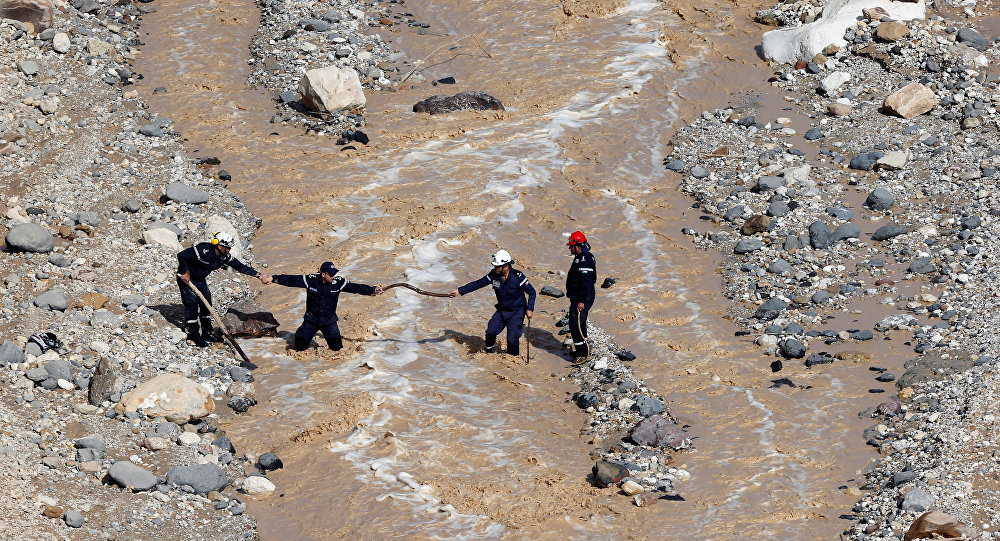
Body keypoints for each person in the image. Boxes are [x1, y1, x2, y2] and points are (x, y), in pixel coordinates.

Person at [177, 231, 271, 347]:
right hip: (187, 280)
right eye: (228, 248)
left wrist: (259, 276)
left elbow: (240, 267)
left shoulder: (224, 257)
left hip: (200, 280)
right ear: (220, 246)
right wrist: (186, 272)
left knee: (206, 305)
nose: (229, 250)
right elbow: (182, 256)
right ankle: (194, 335)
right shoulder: (203, 250)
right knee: (192, 304)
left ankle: (207, 332)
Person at [270, 262, 383, 351]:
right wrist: (273, 278)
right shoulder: (311, 280)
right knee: (299, 348)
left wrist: (373, 290)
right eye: (331, 274)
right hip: (311, 321)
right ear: (323, 274)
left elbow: (356, 287)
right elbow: (291, 280)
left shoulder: (338, 283)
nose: (334, 276)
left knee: (337, 349)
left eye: (334, 273)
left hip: (329, 322)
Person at [449, 249, 536, 356]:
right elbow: (478, 283)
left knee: (512, 338)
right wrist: (459, 291)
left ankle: (513, 357)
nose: (495, 268)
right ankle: (489, 351)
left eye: (497, 266)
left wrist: (530, 308)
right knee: (490, 332)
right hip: (502, 310)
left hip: (516, 312)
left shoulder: (518, 277)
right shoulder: (493, 275)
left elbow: (532, 292)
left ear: (506, 267)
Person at [565, 230, 597, 359]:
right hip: (578, 297)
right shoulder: (581, 257)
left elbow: (587, 281)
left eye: (571, 246)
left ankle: (582, 354)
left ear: (578, 246)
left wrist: (582, 300)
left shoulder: (585, 259)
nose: (569, 249)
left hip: (582, 298)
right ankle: (583, 348)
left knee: (575, 325)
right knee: (580, 323)